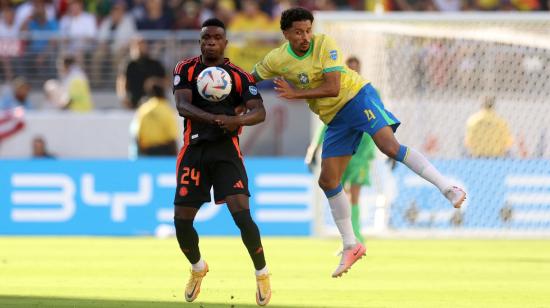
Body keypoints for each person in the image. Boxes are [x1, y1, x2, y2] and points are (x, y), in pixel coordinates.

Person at [252, 7, 466, 278]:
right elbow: (251, 78)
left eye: (308, 30)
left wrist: (296, 94)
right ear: (285, 34)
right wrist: (230, 87)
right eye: (298, 32)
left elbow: (332, 87)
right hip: (334, 118)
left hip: (356, 97)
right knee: (328, 180)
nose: (305, 36)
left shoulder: (324, 44)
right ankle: (351, 245)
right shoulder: (277, 59)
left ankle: (447, 187)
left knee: (389, 146)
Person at [172, 18, 271, 306]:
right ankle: (197, 267)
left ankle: (262, 273)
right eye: (205, 38)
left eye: (216, 37)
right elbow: (182, 105)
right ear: (200, 41)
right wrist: (216, 119)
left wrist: (235, 121)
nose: (210, 42)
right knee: (181, 222)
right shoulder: (185, 69)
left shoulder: (239, 76)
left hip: (227, 150)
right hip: (195, 150)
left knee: (242, 214)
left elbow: (259, 111)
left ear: (225, 43)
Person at [305, 56, 376, 244]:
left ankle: (357, 236)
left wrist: (389, 145)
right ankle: (349, 237)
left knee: (354, 194)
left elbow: (380, 117)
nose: (353, 71)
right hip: (342, 148)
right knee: (340, 194)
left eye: (356, 68)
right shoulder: (337, 93)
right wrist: (314, 147)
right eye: (350, 68)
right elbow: (326, 122)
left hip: (362, 151)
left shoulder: (369, 91)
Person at [130, 77, 178, 157]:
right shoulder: (167, 109)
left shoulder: (143, 109)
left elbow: (137, 134)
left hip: (147, 152)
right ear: (163, 93)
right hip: (165, 152)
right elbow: (172, 136)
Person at [117, 36, 166, 109]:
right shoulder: (128, 64)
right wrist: (123, 97)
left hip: (155, 107)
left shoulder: (155, 64)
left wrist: (154, 81)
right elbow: (122, 82)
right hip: (134, 105)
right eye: (137, 46)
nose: (140, 48)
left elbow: (167, 82)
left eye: (142, 45)